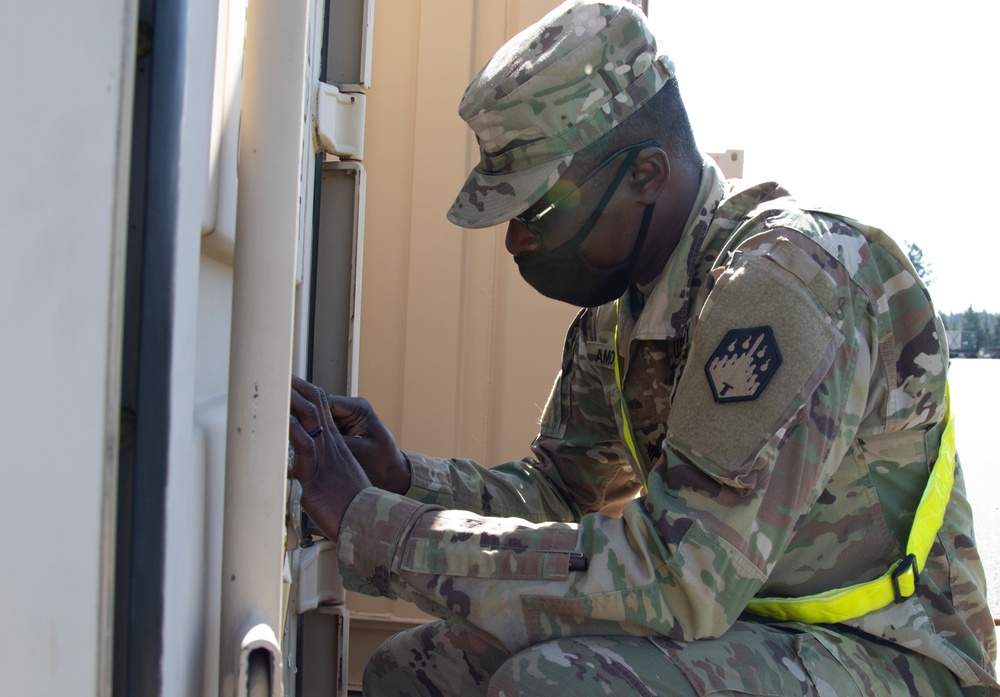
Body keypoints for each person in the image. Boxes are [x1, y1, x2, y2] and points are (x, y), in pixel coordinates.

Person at [288, 1, 999, 695]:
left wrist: (378, 527)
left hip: (891, 655)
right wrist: (403, 478)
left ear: (647, 174)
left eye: (539, 209)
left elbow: (679, 577)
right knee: (418, 667)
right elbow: (564, 496)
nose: (517, 240)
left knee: (554, 685)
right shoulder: (623, 315)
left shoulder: (784, 285)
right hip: (745, 631)